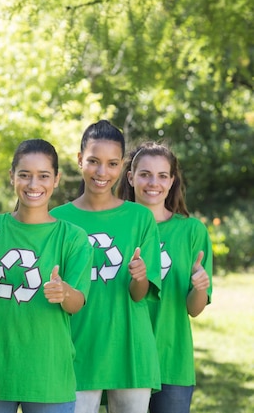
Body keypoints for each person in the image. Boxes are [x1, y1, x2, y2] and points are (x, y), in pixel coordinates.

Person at [0, 139, 93, 413]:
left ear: (57, 179)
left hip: (49, 380)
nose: (34, 184)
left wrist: (64, 292)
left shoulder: (73, 238)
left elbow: (77, 302)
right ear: (12, 177)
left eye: (43, 176)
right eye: (24, 175)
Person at [49, 120, 162, 413]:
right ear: (79, 160)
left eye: (112, 164)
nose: (102, 172)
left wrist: (139, 276)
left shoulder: (140, 218)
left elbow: (140, 294)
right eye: (94, 162)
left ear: (122, 166)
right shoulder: (56, 219)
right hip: (76, 348)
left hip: (129, 351)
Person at [117, 141, 212, 413]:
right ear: (130, 177)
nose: (152, 183)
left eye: (162, 176)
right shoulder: (116, 229)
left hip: (172, 360)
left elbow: (194, 310)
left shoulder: (192, 231)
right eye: (145, 174)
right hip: (126, 357)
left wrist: (200, 288)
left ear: (172, 182)